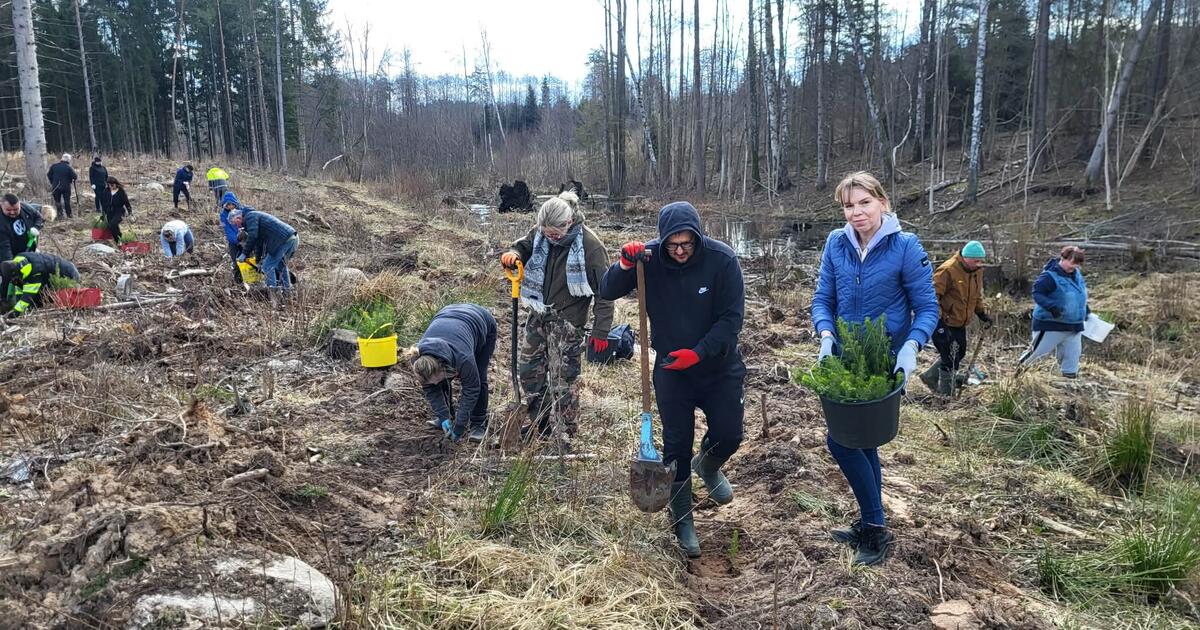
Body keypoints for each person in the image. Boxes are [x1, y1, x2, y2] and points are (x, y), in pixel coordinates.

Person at [599, 201, 746, 559]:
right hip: (671, 372)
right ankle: (682, 518)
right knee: (676, 445)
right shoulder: (648, 259)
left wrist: (698, 353)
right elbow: (607, 289)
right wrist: (623, 263)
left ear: (698, 237)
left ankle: (708, 465)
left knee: (730, 434)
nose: (680, 251)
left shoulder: (722, 260)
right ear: (663, 240)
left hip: (717, 368)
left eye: (687, 244)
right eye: (673, 245)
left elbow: (731, 320)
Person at [810, 171, 939, 566]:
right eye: (849, 205)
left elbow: (928, 307)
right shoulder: (836, 244)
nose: (856, 212)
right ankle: (871, 524)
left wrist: (912, 346)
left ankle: (875, 527)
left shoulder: (905, 247)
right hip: (845, 362)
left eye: (864, 203)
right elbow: (823, 298)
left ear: (883, 202)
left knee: (842, 441)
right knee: (858, 441)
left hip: (885, 363)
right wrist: (826, 335)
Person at [499, 191, 613, 443]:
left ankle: (565, 431)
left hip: (568, 321)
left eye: (554, 234)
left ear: (569, 222)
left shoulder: (591, 247)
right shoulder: (541, 233)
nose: (550, 238)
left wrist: (601, 331)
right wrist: (515, 253)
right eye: (546, 233)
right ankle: (540, 422)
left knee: (564, 379)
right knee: (529, 371)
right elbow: (525, 245)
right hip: (538, 312)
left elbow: (606, 293)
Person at [404, 304, 498, 443]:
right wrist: (443, 416)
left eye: (437, 379)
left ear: (444, 366)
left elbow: (471, 389)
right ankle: (449, 418)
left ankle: (478, 424)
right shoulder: (418, 359)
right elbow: (430, 389)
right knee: (436, 382)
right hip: (447, 315)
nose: (435, 384)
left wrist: (460, 426)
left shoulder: (463, 358)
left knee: (478, 374)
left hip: (482, 321)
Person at [922, 241, 992, 394]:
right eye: (976, 261)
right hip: (943, 321)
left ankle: (930, 376)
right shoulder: (947, 270)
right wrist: (938, 321)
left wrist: (981, 313)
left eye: (981, 261)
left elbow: (976, 295)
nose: (979, 264)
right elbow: (932, 296)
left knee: (959, 353)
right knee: (951, 357)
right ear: (966, 258)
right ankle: (947, 395)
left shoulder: (977, 271)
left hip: (960, 321)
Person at [1018, 246, 1088, 378]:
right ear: (1063, 258)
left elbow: (1080, 294)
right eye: (1072, 262)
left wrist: (1086, 311)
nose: (1075, 266)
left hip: (1074, 325)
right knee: (1037, 354)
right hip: (1050, 324)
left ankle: (1069, 382)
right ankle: (1018, 376)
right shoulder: (1049, 276)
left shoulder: (1077, 275)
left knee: (1072, 356)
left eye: (1077, 264)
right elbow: (1037, 293)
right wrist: (1051, 306)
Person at [227, 207, 298, 293]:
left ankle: (273, 294)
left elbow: (253, 236)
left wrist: (244, 253)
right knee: (281, 266)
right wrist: (258, 261)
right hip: (291, 237)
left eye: (235, 223)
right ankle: (287, 291)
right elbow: (258, 244)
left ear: (238, 218)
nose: (237, 226)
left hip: (281, 240)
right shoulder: (253, 217)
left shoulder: (250, 216)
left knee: (267, 266)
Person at [1, 252, 80, 318]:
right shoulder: (18, 262)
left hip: (69, 275)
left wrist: (15, 313)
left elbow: (27, 296)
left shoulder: (35, 272)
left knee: (38, 300)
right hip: (49, 273)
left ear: (16, 274)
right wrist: (17, 305)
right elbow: (19, 288)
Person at [0, 194, 44, 262]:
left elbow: (38, 217)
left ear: (19, 205)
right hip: (10, 254)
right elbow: (4, 247)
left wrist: (36, 227)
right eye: (8, 210)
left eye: (16, 209)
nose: (12, 212)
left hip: (29, 250)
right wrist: (9, 264)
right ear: (1, 205)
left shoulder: (25, 207)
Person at [219, 192, 248, 285]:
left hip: (245, 240)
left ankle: (250, 280)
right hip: (233, 241)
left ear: (235, 203)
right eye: (228, 205)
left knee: (248, 259)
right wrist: (236, 240)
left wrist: (244, 239)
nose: (230, 206)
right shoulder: (223, 215)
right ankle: (238, 282)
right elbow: (228, 230)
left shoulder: (242, 211)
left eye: (231, 204)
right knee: (235, 260)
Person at [47, 154, 78, 219]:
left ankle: (60, 215)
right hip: (66, 187)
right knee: (67, 201)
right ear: (68, 160)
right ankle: (69, 215)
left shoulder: (54, 166)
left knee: (57, 201)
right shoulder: (68, 167)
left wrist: (52, 182)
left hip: (56, 186)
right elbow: (75, 176)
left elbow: (49, 175)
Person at [104, 177, 132, 247]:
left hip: (119, 211)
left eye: (112, 185)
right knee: (113, 227)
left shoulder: (121, 191)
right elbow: (103, 201)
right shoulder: (106, 191)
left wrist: (130, 212)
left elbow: (126, 202)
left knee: (112, 224)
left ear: (115, 184)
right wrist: (104, 211)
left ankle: (120, 240)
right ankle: (118, 240)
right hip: (109, 212)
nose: (110, 187)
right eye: (109, 185)